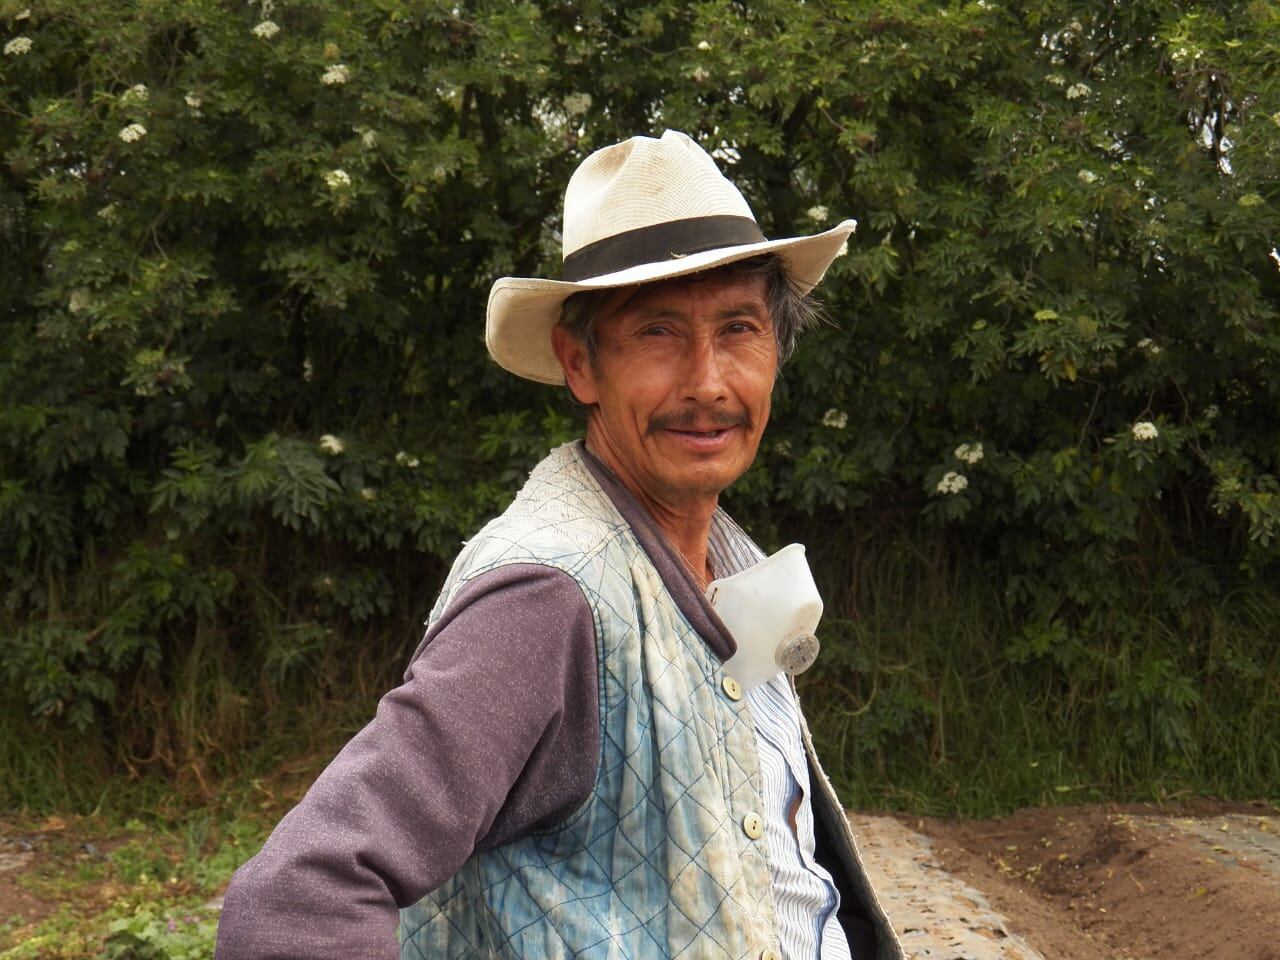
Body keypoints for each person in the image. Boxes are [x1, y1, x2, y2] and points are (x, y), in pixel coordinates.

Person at [215, 130, 902, 960]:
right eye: (657, 332)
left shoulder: (728, 553)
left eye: (739, 329)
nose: (708, 381)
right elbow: (300, 893)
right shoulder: (551, 593)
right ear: (580, 365)